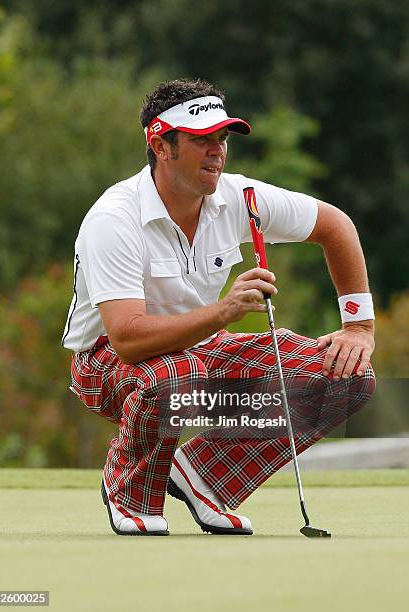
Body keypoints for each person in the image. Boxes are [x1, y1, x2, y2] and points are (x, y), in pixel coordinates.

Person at [62, 78, 375, 536]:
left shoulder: (239, 198)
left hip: (200, 350)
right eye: (201, 140)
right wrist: (224, 311)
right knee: (173, 375)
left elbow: (336, 225)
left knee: (345, 375)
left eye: (222, 139)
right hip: (106, 361)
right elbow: (127, 339)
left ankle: (203, 476)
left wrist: (359, 327)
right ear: (161, 143)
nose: (217, 151)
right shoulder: (114, 218)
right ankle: (128, 488)